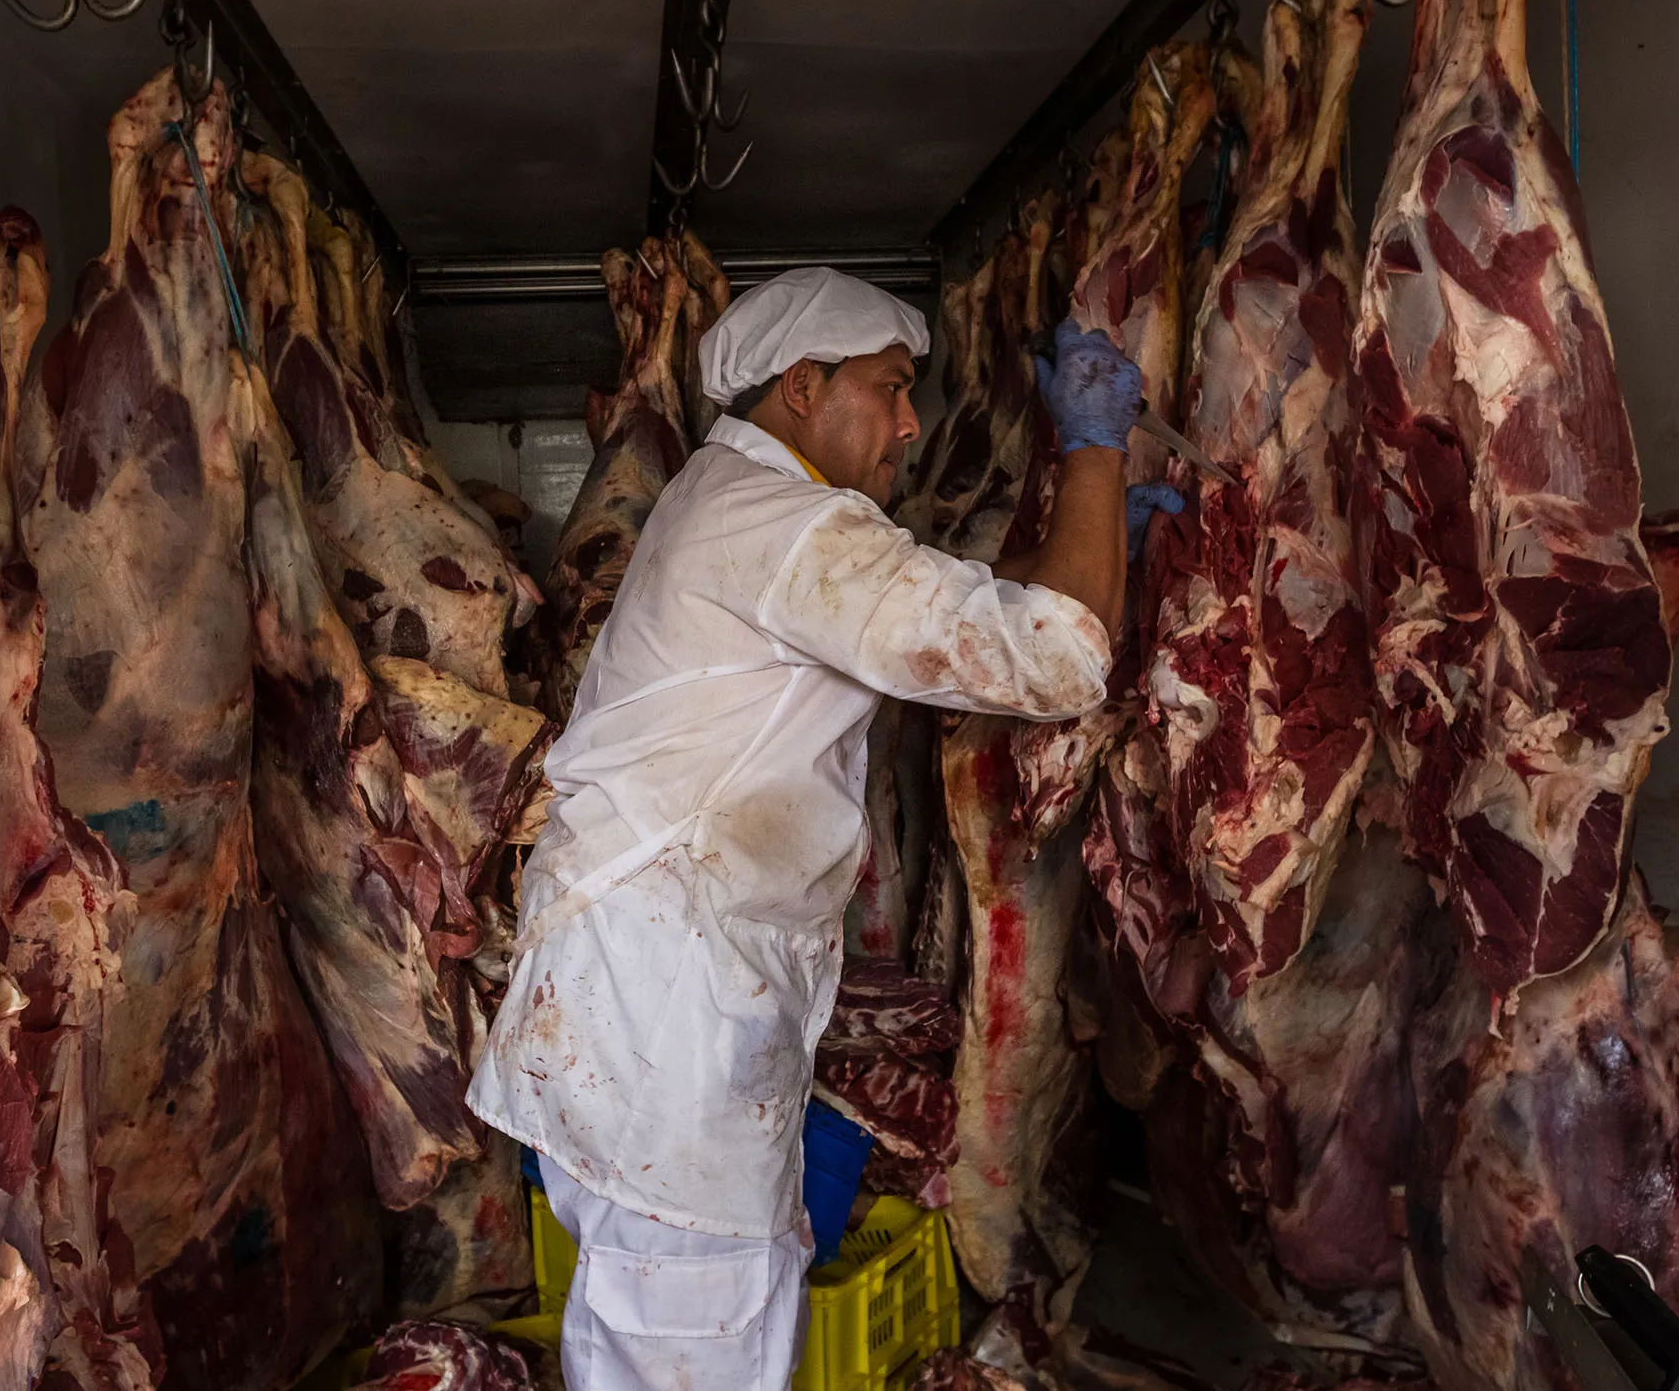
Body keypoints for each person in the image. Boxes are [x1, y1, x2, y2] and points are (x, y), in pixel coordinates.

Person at [467, 266, 1160, 1389]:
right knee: (689, 1350)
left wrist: (1083, 546)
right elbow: (1058, 657)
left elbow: (960, 614)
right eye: (890, 387)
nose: (910, 422)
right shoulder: (786, 524)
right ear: (802, 386)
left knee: (690, 1327)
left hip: (649, 996)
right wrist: (1094, 454)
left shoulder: (740, 506)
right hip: (667, 1017)